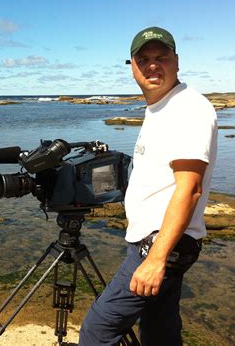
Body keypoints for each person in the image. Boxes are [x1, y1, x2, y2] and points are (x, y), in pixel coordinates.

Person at [79, 26, 218, 345]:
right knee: (159, 331)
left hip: (161, 245)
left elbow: (190, 188)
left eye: (161, 57)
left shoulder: (188, 108)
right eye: (144, 59)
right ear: (132, 66)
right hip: (167, 243)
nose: (152, 65)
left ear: (177, 61)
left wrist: (156, 258)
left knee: (98, 330)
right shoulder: (162, 107)